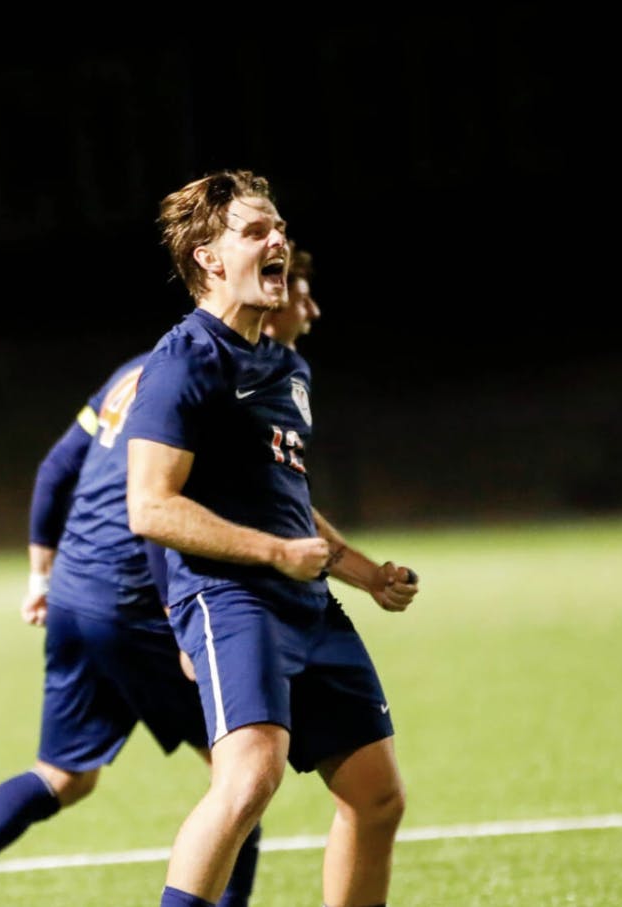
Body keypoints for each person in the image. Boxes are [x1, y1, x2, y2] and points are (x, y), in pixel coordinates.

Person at [0, 246, 324, 907]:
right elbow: (153, 515)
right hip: (136, 597)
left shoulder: (132, 372)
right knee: (241, 777)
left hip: (75, 591)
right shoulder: (214, 377)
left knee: (65, 774)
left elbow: (55, 470)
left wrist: (40, 573)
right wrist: (179, 615)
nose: (306, 308)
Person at [124, 172, 417, 907]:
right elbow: (151, 507)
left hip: (307, 603)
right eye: (255, 232)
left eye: (278, 227)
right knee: (251, 774)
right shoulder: (185, 360)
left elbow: (288, 504)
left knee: (376, 795)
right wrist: (273, 556)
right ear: (209, 259)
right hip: (232, 598)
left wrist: (365, 573)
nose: (278, 240)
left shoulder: (286, 365)